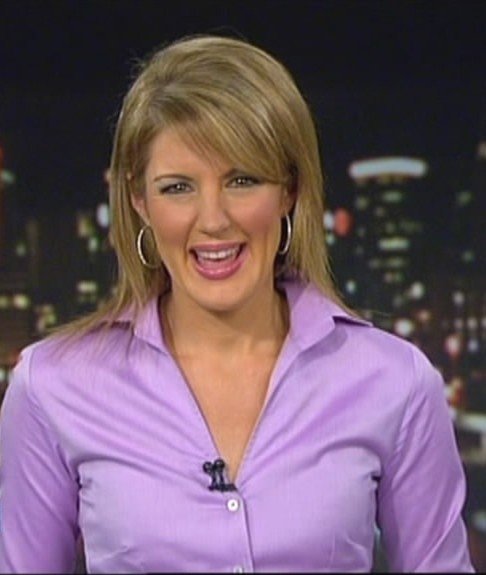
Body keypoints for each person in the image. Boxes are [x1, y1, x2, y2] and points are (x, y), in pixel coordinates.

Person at [0, 34, 474, 573]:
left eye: (242, 180)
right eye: (177, 187)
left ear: (289, 189)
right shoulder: (52, 387)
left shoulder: (395, 382)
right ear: (139, 200)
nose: (213, 219)